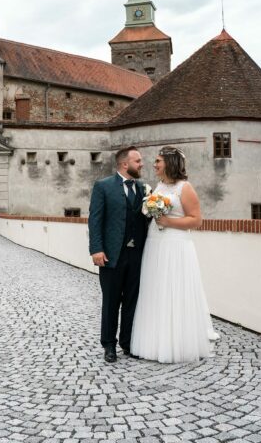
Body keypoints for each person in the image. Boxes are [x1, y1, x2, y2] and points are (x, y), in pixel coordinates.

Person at [130, 146, 218, 363]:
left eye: (158, 161)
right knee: (156, 289)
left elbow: (196, 220)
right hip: (155, 243)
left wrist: (169, 221)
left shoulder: (184, 188)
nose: (154, 165)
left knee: (175, 289)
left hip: (176, 245)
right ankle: (154, 342)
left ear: (169, 163)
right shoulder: (158, 186)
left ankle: (178, 343)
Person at [88, 146, 149, 363]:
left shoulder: (143, 189)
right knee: (111, 301)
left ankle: (127, 342)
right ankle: (109, 345)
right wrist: (96, 249)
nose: (142, 164)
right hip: (111, 254)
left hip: (137, 254)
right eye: (138, 161)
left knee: (132, 301)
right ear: (125, 164)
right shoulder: (103, 186)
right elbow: (95, 219)